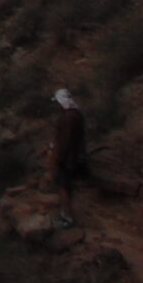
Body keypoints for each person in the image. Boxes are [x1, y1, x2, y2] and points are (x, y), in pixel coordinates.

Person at [50, 89, 88, 225]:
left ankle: (67, 217)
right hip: (76, 156)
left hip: (69, 159)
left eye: (58, 103)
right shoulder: (77, 114)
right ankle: (64, 214)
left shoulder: (68, 118)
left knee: (62, 186)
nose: (57, 106)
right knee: (64, 185)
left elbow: (65, 140)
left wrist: (58, 158)